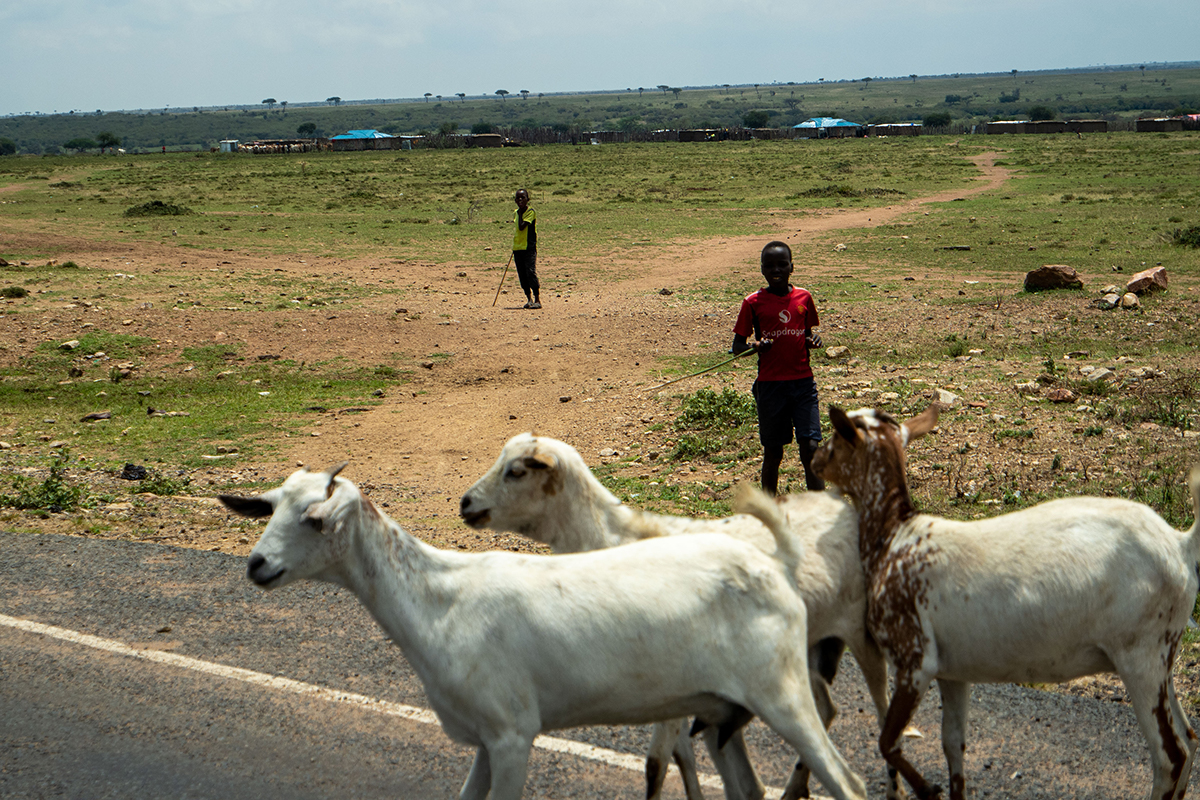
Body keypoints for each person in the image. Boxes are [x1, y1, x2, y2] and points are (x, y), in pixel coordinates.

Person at [732, 241, 825, 495]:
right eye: (769, 265)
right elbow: (738, 345)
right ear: (761, 269)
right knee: (773, 452)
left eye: (782, 265)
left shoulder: (804, 298)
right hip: (771, 387)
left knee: (811, 448)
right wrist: (756, 346)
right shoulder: (753, 302)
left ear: (791, 267)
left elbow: (806, 334)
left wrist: (812, 340)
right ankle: (768, 510)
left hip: (803, 383)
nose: (776, 270)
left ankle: (821, 508)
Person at [512, 189, 540, 309]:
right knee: (522, 274)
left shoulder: (530, 212)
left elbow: (522, 226)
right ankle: (529, 299)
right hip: (518, 248)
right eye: (518, 198)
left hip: (528, 247)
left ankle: (537, 299)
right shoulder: (516, 213)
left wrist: (519, 213)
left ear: (528, 199)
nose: (520, 200)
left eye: (522, 198)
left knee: (530, 272)